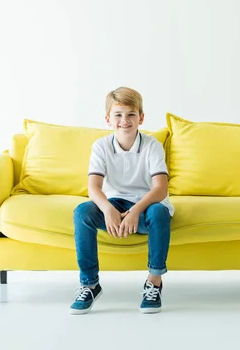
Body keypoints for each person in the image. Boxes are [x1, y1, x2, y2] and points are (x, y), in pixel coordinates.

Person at [70, 86, 175, 315]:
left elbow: (161, 188)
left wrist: (137, 210)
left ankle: (154, 282)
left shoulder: (152, 146)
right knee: (82, 212)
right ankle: (89, 284)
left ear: (141, 117)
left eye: (131, 115)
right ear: (108, 119)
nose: (124, 121)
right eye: (118, 115)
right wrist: (107, 209)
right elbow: (94, 188)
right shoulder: (100, 147)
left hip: (146, 205)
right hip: (115, 203)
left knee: (159, 213)